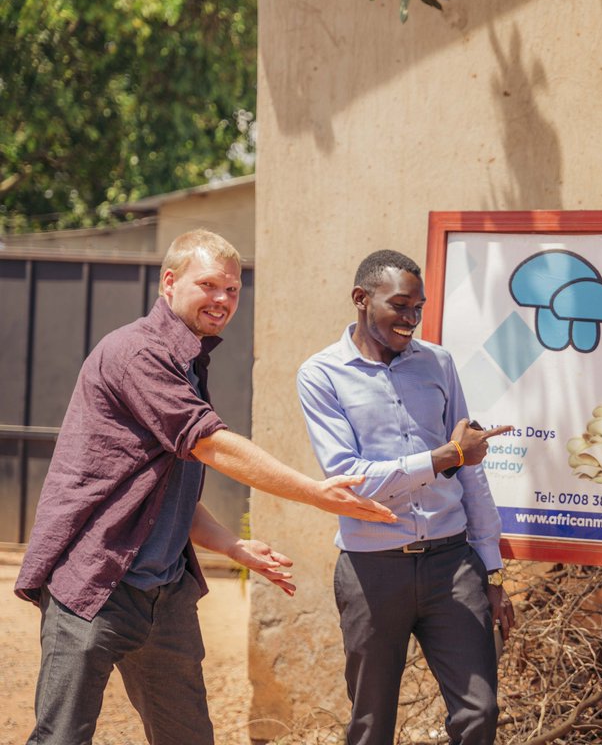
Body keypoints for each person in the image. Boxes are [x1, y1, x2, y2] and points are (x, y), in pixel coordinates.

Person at [15, 229, 397, 745]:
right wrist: (315, 492)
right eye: (210, 284)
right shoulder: (137, 352)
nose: (222, 299)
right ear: (169, 283)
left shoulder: (189, 362)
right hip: (96, 584)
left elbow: (165, 496)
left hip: (163, 595)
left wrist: (234, 546)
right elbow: (210, 445)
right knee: (61, 737)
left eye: (233, 290)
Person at [296, 249, 518, 745]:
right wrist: (443, 458)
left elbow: (471, 470)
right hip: (373, 571)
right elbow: (348, 478)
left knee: (480, 713)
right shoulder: (321, 375)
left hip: (452, 566)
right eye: (400, 305)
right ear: (361, 299)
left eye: (418, 307)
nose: (411, 319)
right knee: (372, 724)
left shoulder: (437, 363)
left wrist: (492, 570)